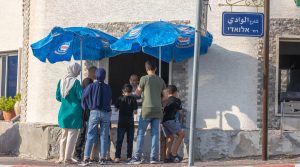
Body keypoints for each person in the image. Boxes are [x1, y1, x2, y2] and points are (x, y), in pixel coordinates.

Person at [127, 61, 166, 165]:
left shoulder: (144, 79)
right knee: (155, 134)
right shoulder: (160, 80)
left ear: (146, 69)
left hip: (146, 110)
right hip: (158, 110)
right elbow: (165, 96)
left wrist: (131, 94)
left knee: (140, 133)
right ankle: (153, 158)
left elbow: (138, 93)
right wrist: (157, 100)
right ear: (156, 69)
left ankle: (137, 157)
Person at [80, 68, 112, 166]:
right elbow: (110, 100)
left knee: (90, 136)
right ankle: (103, 158)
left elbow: (83, 97)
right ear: (104, 76)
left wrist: (86, 108)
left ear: (95, 75)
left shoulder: (90, 86)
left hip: (94, 112)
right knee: (104, 136)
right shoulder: (108, 87)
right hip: (106, 113)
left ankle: (86, 158)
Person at [55, 63, 83, 164]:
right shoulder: (76, 82)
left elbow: (58, 97)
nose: (79, 72)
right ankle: (68, 158)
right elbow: (81, 96)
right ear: (74, 70)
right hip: (74, 112)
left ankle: (61, 157)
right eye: (78, 70)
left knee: (64, 135)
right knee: (72, 135)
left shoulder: (61, 81)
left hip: (63, 112)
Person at [73, 66, 97, 162]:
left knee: (86, 133)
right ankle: (77, 154)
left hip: (87, 111)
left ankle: (82, 154)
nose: (97, 75)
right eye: (96, 72)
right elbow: (87, 97)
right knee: (83, 133)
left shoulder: (89, 82)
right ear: (92, 73)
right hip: (85, 112)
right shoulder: (88, 82)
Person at [114, 84, 138, 163]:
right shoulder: (133, 99)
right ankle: (129, 157)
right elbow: (135, 112)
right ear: (131, 91)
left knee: (119, 140)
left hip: (121, 122)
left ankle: (117, 157)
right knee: (130, 140)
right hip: (130, 122)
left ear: (123, 91)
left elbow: (115, 110)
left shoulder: (119, 98)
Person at [162, 85, 185, 163]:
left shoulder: (164, 100)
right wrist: (179, 122)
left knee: (170, 138)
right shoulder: (177, 100)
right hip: (171, 120)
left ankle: (167, 158)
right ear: (175, 92)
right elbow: (181, 113)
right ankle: (174, 154)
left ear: (168, 92)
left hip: (163, 121)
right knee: (181, 134)